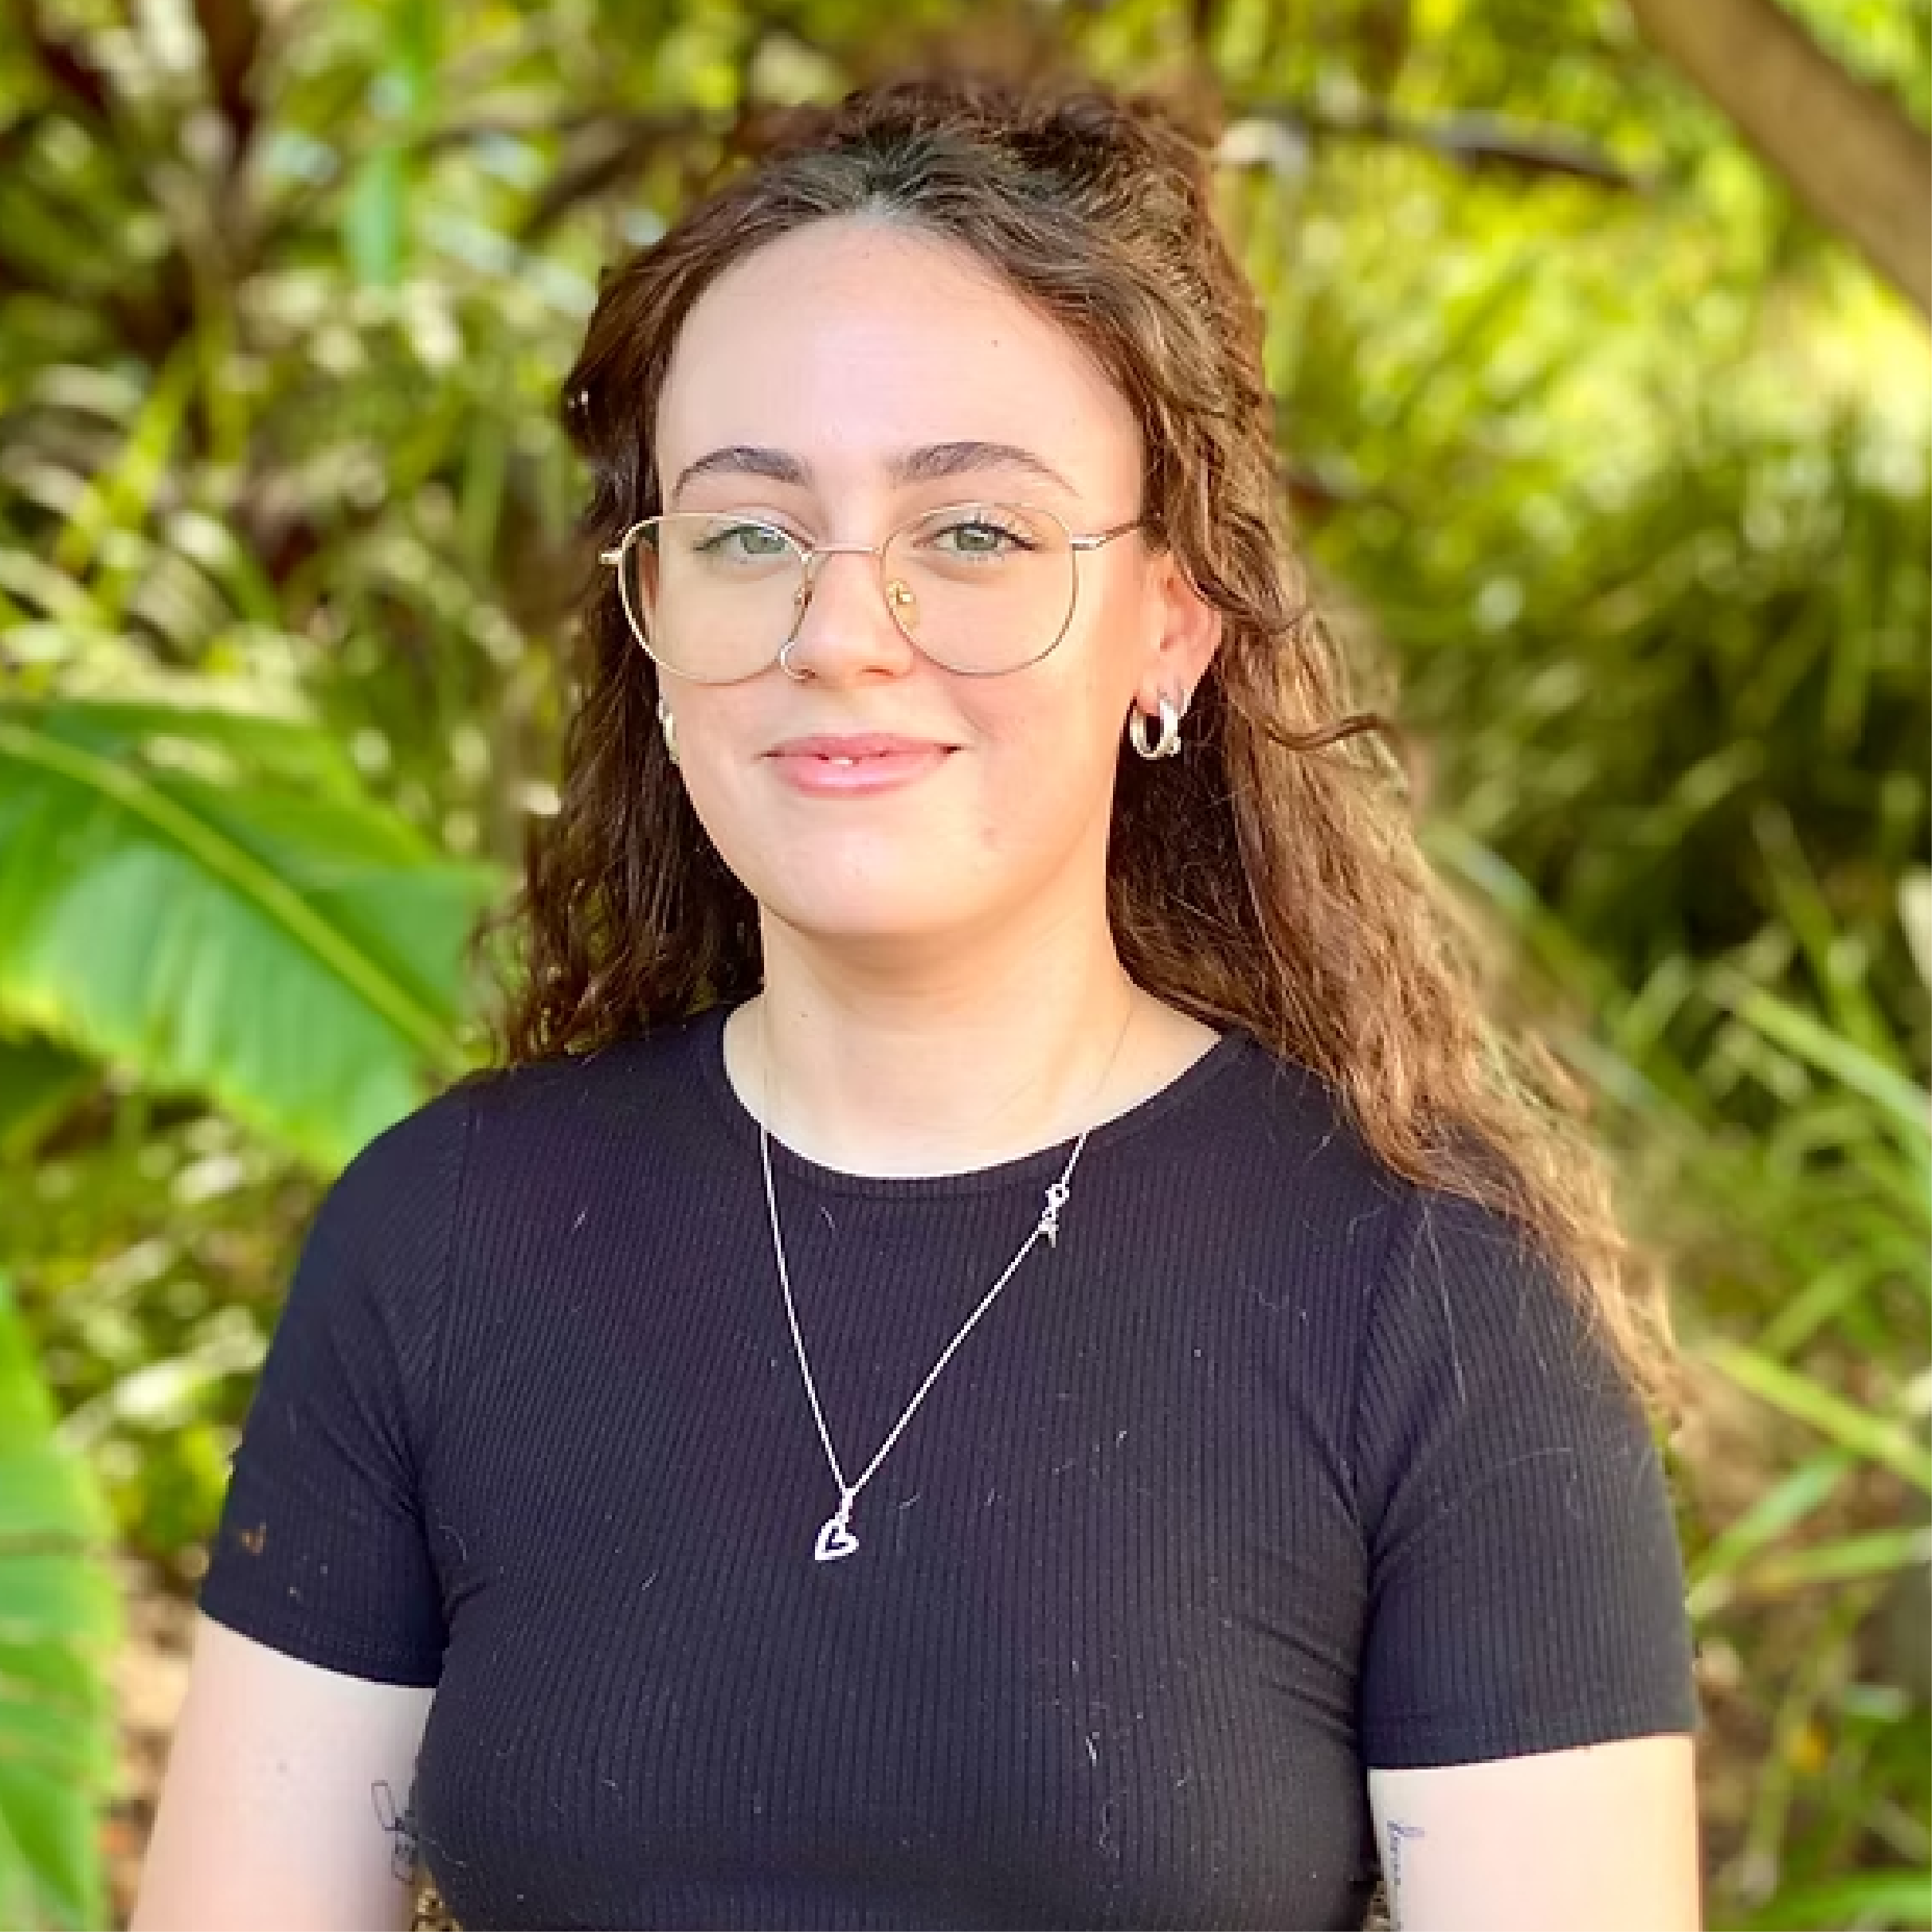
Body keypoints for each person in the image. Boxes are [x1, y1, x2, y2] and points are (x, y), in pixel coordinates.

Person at [133, 71, 1703, 1932]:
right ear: (650, 622)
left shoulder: (1428, 1298)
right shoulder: (441, 1243)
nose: (840, 629)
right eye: (747, 534)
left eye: (972, 531)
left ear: (1169, 628)